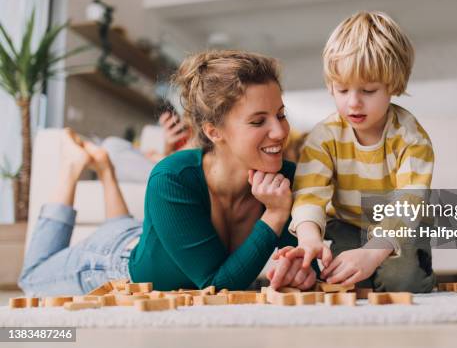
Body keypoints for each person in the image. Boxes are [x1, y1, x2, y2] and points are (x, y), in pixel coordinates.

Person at [18, 50, 315, 296]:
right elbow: (216, 285)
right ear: (214, 131)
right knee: (30, 281)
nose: (279, 132)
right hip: (111, 261)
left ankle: (105, 168)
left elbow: (303, 262)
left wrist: (299, 271)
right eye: (258, 121)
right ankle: (72, 167)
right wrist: (274, 215)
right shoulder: (172, 178)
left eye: (281, 115)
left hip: (150, 236)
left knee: (130, 229)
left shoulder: (285, 180)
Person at [275, 11, 436, 293]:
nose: (353, 103)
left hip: (402, 229)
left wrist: (372, 254)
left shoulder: (411, 139)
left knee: (402, 283)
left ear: (393, 86)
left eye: (368, 90)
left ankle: (416, 265)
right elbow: (310, 194)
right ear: (330, 86)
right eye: (342, 89)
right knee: (345, 283)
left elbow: (407, 205)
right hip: (348, 226)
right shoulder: (324, 137)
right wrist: (309, 238)